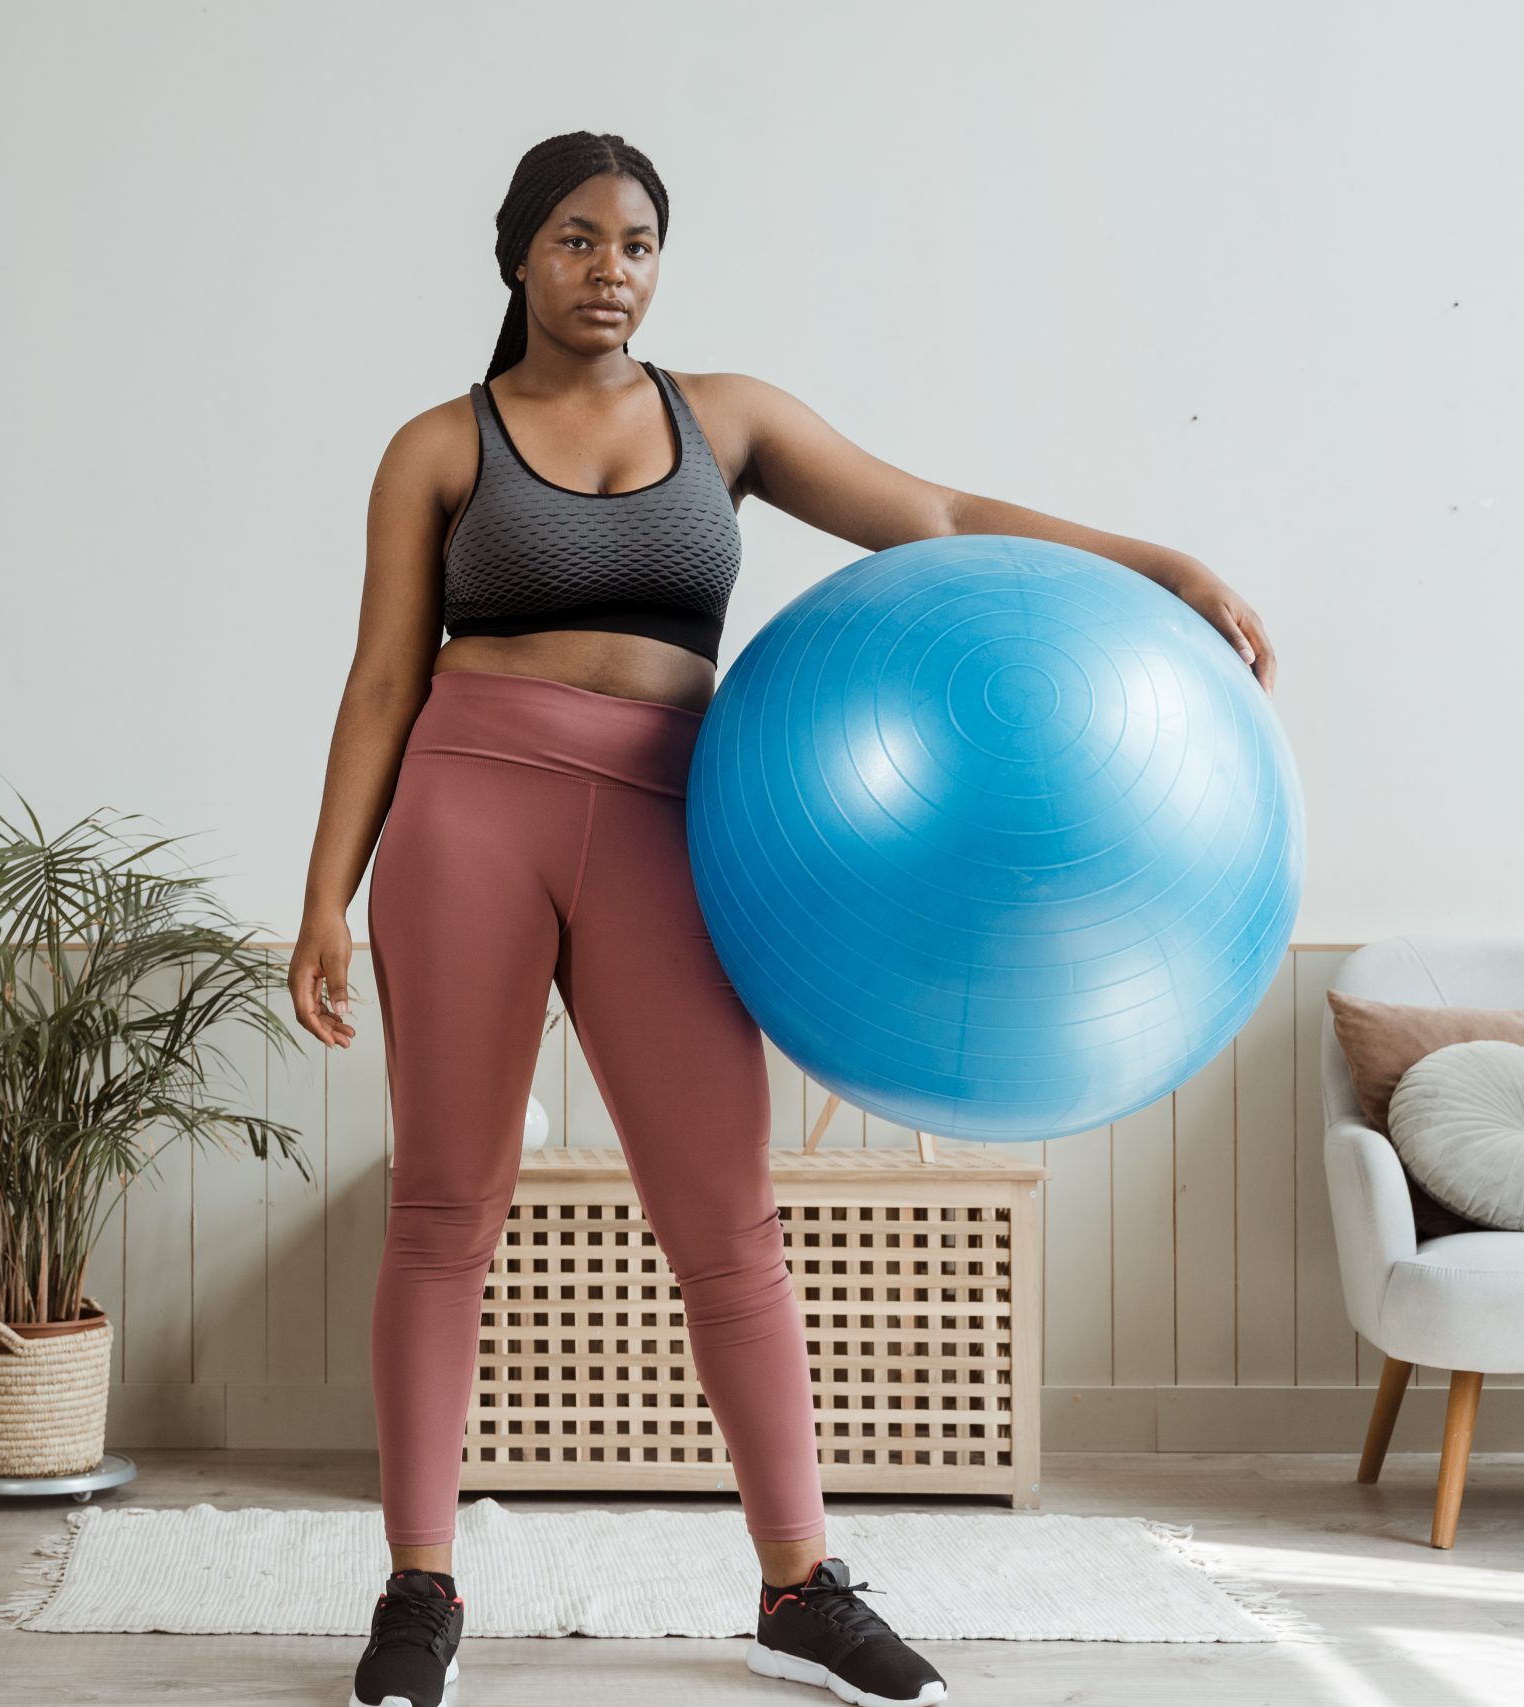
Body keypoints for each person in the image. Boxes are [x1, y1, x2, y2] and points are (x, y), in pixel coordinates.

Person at [290, 131, 1278, 1707]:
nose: (609, 270)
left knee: (726, 1223)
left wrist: (1151, 567)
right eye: (574, 239)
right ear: (514, 256)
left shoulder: (725, 418)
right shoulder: (437, 445)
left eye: (635, 243)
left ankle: (800, 1585)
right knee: (444, 1212)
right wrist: (323, 900)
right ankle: (419, 1590)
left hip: (672, 826)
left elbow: (938, 514)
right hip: (466, 811)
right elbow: (380, 683)